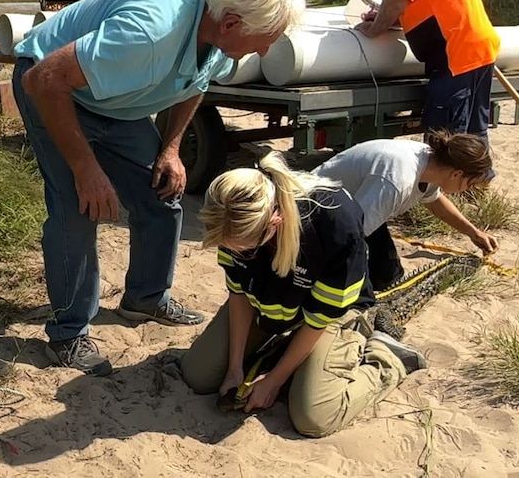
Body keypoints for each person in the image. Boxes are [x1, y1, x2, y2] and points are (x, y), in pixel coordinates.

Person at [11, 0, 306, 376]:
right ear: (230, 23)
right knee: (79, 208)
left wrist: (170, 148)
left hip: (115, 100)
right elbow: (44, 79)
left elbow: (194, 82)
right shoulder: (150, 31)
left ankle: (145, 300)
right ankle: (68, 333)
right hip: (53, 87)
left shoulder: (221, 24)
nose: (266, 49)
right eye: (267, 38)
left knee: (162, 193)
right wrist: (87, 169)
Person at [180, 151, 427, 438]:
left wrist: (275, 380)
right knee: (198, 375)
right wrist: (235, 367)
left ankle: (388, 359)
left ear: (275, 220)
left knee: (313, 417)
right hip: (273, 305)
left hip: (326, 314)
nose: (237, 253)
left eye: (246, 248)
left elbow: (319, 319)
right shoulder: (230, 211)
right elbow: (239, 295)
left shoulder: (334, 221)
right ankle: (280, 352)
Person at [353, 0, 500, 143]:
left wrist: (372, 29)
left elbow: (396, 2)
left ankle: (456, 180)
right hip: (474, 49)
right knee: (472, 136)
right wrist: (387, 17)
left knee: (444, 139)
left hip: (454, 55)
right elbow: (423, 1)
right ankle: (478, 180)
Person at [312, 131, 498, 291]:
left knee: (387, 276)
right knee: (356, 288)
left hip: (352, 209)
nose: (466, 190)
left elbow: (434, 201)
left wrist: (473, 232)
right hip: (317, 213)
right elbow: (351, 235)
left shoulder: (433, 163)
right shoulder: (397, 181)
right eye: (470, 184)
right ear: (456, 174)